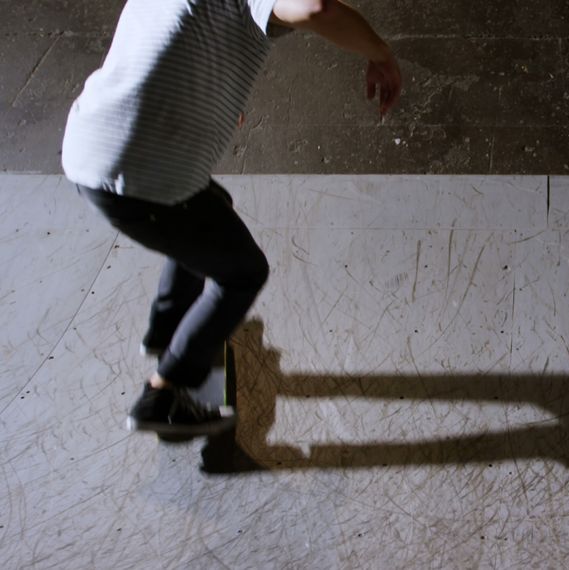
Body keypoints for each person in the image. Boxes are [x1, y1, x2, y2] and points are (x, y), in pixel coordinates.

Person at [61, 0, 402, 437]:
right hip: (141, 172)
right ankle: (163, 394)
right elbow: (316, 8)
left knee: (208, 208)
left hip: (91, 141)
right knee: (242, 272)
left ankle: (168, 328)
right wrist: (381, 55)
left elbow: (168, 38)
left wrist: (209, 99)